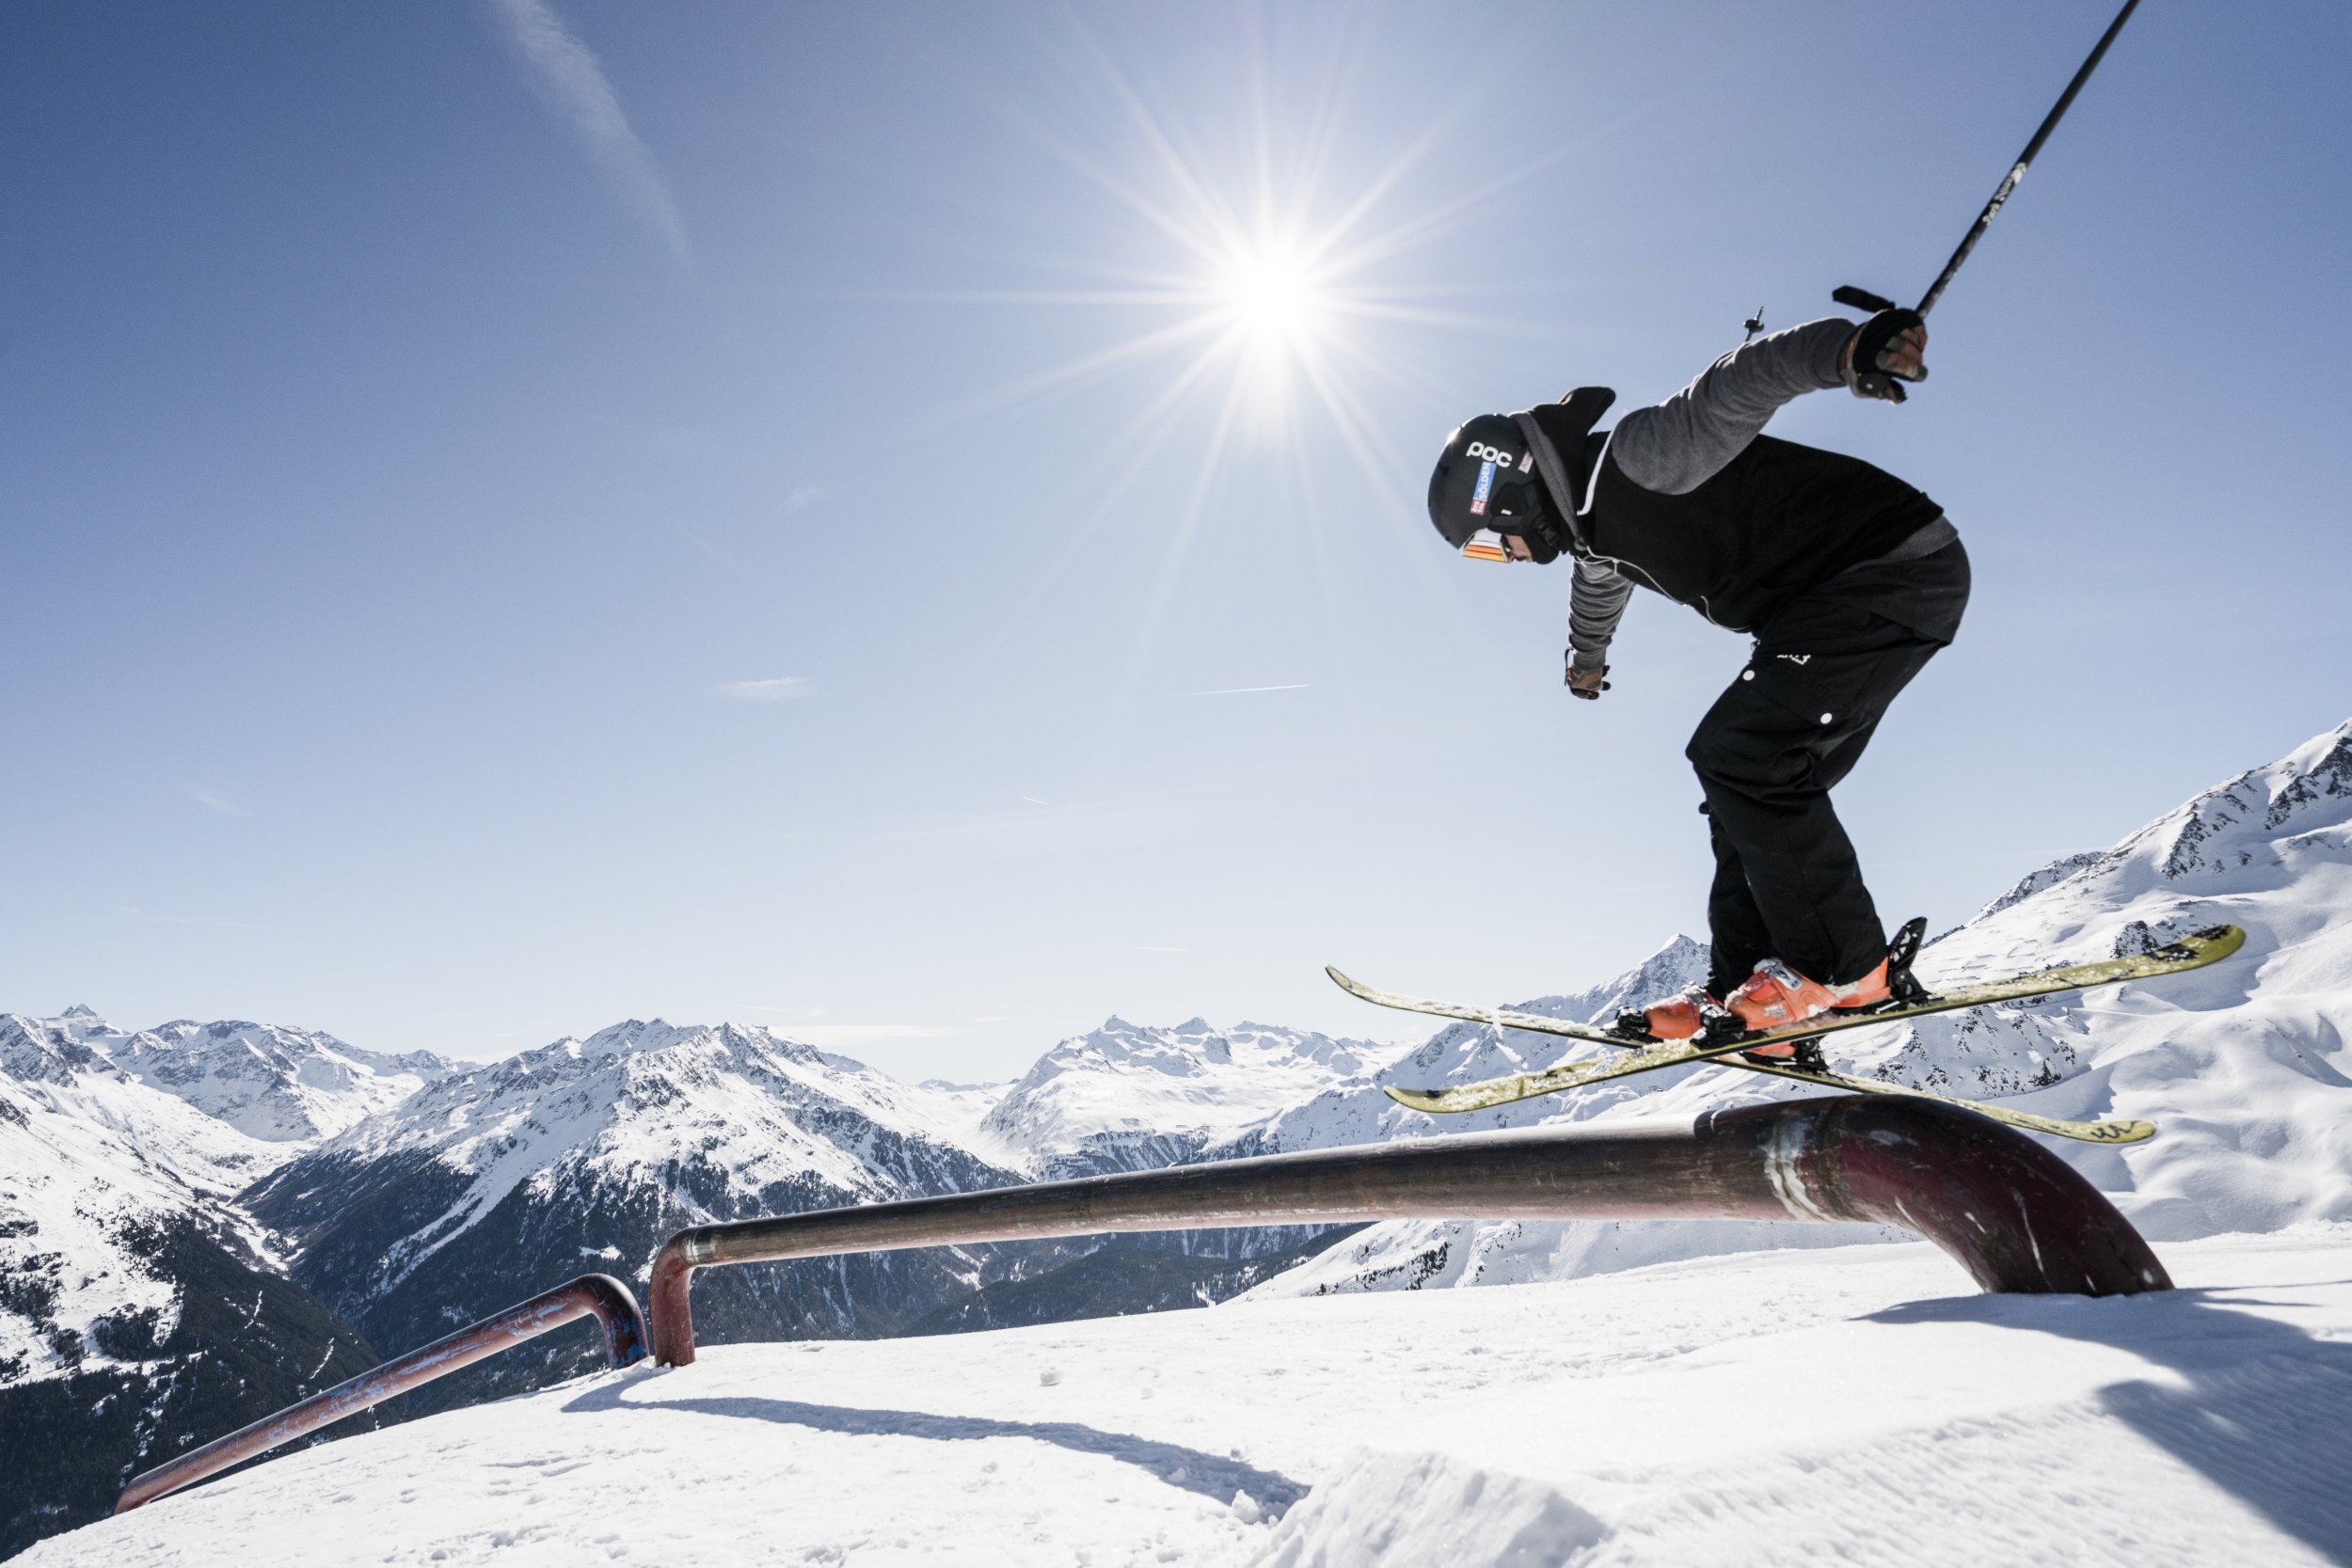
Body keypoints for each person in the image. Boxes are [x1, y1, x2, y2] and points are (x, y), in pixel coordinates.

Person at [1423, 310, 1964, 1053]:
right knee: (1739, 783)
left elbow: (1739, 382)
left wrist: (1846, 351)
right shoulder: (1591, 530)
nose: (1506, 558)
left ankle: (1847, 971)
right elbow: (1597, 589)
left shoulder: (1638, 458)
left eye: (1491, 544)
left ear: (1507, 492)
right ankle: (1748, 987)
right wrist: (1587, 660)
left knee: (1745, 753)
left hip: (1889, 571)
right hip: (1830, 605)